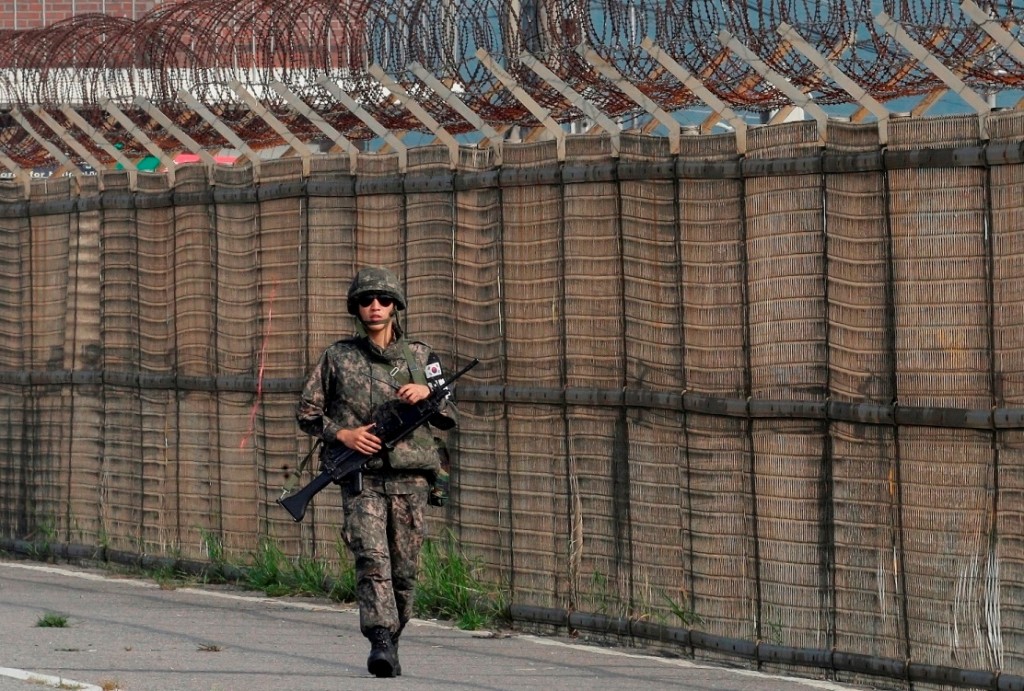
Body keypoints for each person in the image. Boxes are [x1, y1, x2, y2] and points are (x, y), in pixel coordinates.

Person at [295, 266, 456, 678]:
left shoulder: (420, 357)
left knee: (404, 570)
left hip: (411, 479)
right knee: (371, 560)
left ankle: (394, 634)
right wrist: (344, 435)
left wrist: (429, 394)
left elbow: (449, 414)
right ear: (356, 308)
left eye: (383, 300)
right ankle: (380, 639)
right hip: (361, 477)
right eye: (366, 301)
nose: (375, 307)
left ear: (396, 306)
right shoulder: (337, 357)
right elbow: (308, 413)